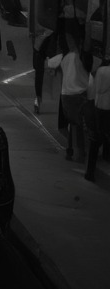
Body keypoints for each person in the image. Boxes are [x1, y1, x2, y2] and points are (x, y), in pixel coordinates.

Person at [47, 33, 90, 162]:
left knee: (73, 123)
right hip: (80, 95)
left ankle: (71, 151)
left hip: (66, 96)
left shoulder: (64, 57)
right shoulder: (83, 57)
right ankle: (81, 153)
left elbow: (50, 63)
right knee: (82, 125)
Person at [84, 56, 110, 182]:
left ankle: (90, 172)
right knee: (105, 136)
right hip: (107, 109)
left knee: (95, 141)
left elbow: (94, 91)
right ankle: (106, 155)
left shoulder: (98, 72)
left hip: (96, 108)